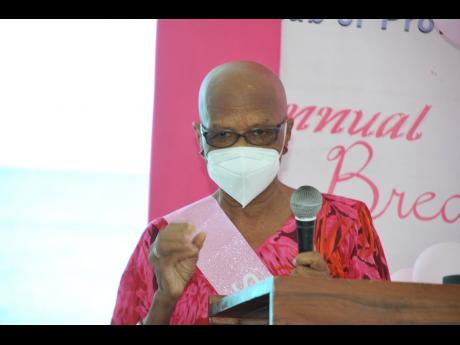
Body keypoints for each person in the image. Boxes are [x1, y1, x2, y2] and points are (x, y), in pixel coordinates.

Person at [111, 61, 390, 325]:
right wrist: (164, 300)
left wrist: (329, 305)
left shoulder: (344, 223)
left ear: (287, 133)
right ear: (200, 138)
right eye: (222, 135)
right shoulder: (163, 239)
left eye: (260, 132)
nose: (241, 149)